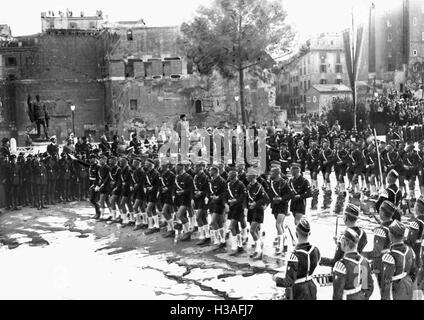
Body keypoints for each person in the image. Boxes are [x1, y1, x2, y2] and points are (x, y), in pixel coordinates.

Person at [274, 218, 321, 300]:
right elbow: (308, 257)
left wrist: (275, 278)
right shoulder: (315, 250)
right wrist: (298, 247)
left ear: (296, 234)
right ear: (309, 233)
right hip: (312, 287)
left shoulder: (294, 256)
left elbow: (288, 282)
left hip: (299, 291)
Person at [332, 228, 374, 300]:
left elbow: (337, 295)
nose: (340, 242)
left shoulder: (341, 265)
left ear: (346, 242)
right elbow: (368, 286)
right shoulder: (364, 261)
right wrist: (363, 297)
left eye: (342, 240)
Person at [381, 220, 417, 300]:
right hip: (408, 285)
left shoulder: (389, 255)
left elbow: (386, 280)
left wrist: (384, 297)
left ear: (391, 235)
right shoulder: (410, 250)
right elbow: (414, 271)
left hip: (395, 289)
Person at [246, 168, 269, 259]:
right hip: (251, 210)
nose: (247, 176)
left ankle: (258, 251)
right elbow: (247, 198)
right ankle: (258, 246)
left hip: (258, 210)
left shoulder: (259, 187)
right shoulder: (248, 186)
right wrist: (246, 206)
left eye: (248, 175)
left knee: (252, 230)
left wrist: (256, 203)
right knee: (255, 230)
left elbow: (266, 198)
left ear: (253, 176)